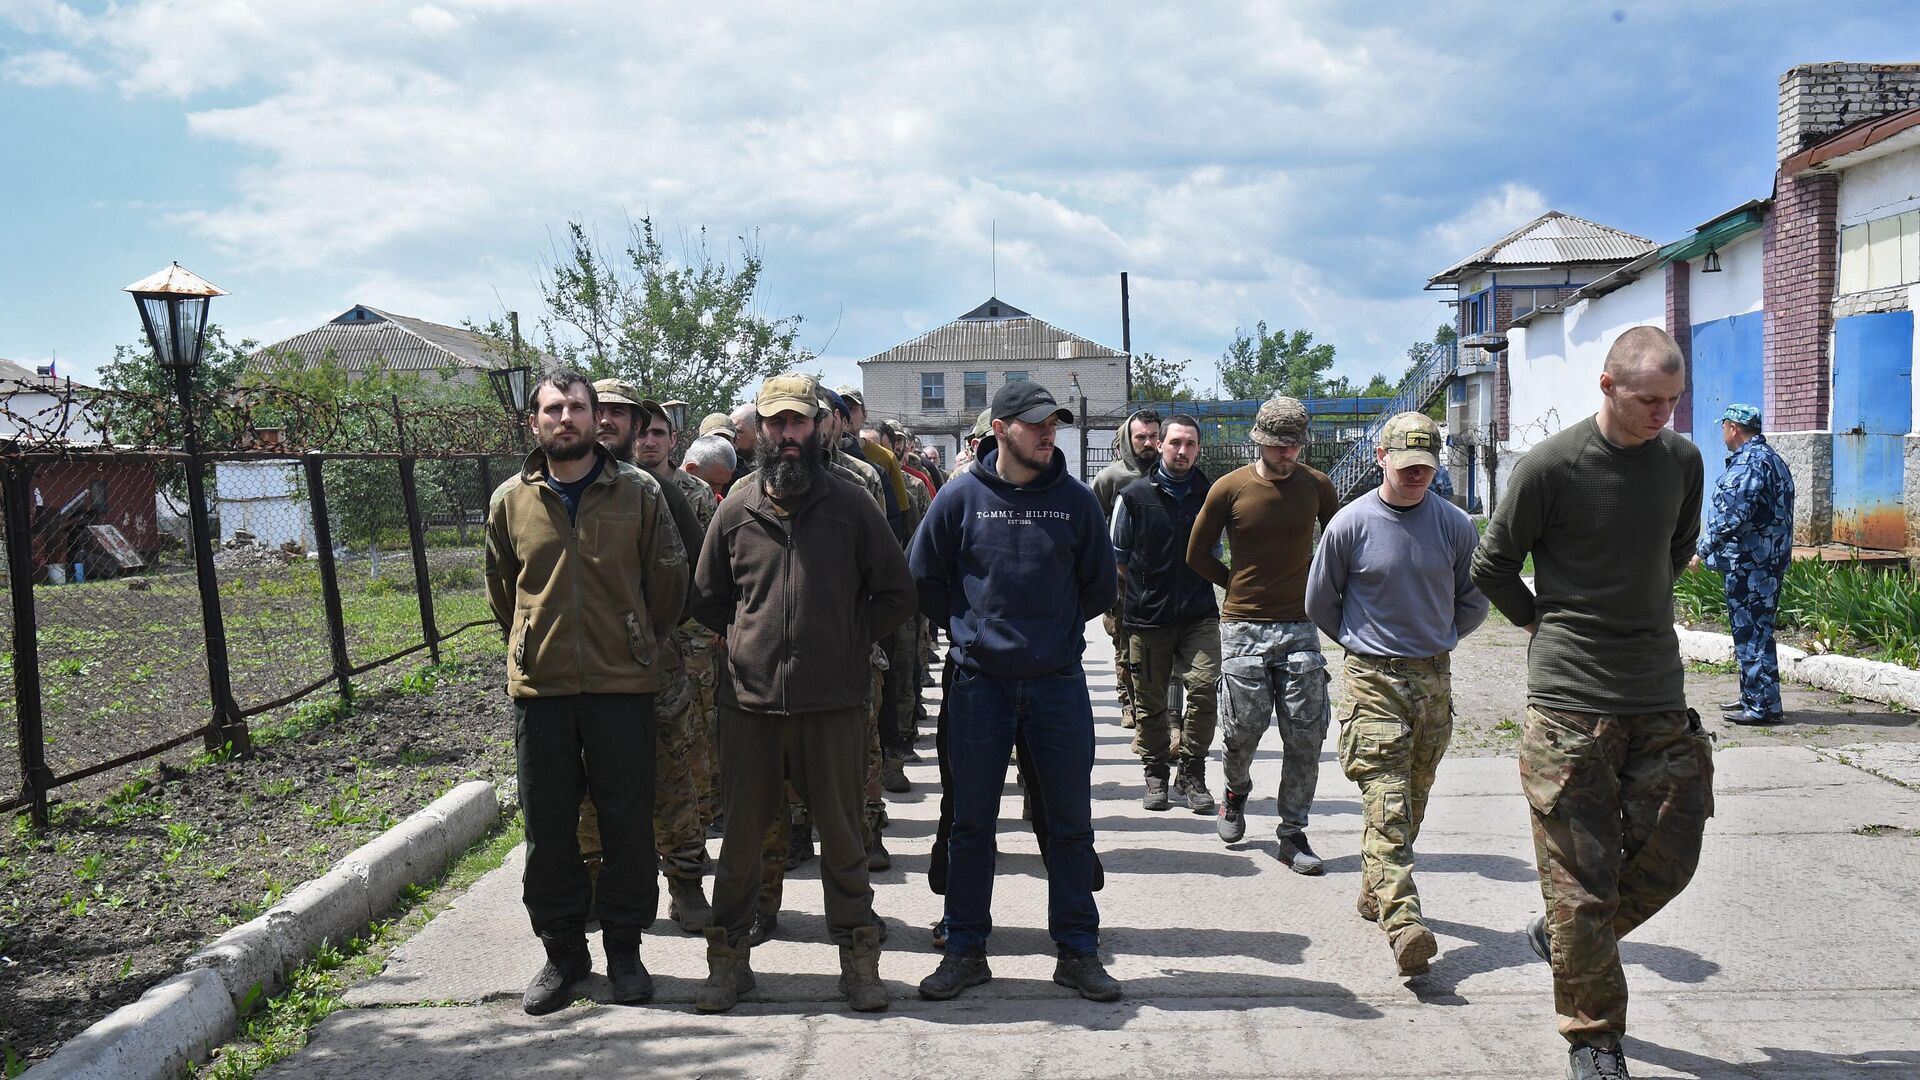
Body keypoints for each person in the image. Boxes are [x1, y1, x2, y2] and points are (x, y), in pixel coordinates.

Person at [1470, 326, 1710, 1080]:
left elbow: (1674, 548)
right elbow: (1494, 564)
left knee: (1673, 854)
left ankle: (1566, 940)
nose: (1662, 415)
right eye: (1648, 400)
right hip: (1570, 701)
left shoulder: (1682, 461)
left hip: (1656, 691)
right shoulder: (1553, 467)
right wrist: (1541, 617)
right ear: (1607, 387)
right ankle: (1595, 1038)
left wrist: (1639, 602)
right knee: (1580, 880)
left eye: (1672, 401)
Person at [690, 372, 917, 1014]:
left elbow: (897, 592)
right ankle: (728, 964)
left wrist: (847, 641)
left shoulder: (851, 503)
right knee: (739, 846)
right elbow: (707, 598)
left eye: (798, 422)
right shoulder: (736, 508)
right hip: (750, 709)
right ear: (759, 431)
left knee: (844, 842)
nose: (788, 435)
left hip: (834, 705)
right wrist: (745, 644)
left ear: (818, 426)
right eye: (776, 424)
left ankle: (859, 962)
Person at [909, 379, 1122, 1004]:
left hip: (1056, 685)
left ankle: (1078, 952)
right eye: (1034, 424)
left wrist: (1049, 634)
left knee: (1069, 825)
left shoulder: (1077, 501)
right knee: (971, 824)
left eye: (1052, 423)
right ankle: (966, 948)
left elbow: (1100, 588)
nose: (1047, 432)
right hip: (979, 687)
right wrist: (971, 632)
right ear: (1000, 429)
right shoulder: (959, 497)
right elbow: (924, 579)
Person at [484, 371, 687, 1014]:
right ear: (534, 423)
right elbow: (502, 587)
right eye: (552, 409)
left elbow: (667, 584)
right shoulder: (510, 501)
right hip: (541, 692)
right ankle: (563, 953)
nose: (565, 418)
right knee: (548, 830)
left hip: (621, 687)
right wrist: (532, 642)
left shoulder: (638, 492)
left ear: (596, 417)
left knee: (627, 825)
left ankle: (625, 951)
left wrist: (632, 639)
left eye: (575, 407)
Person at [1305, 411, 1489, 976]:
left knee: (1413, 797)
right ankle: (1405, 922)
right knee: (1386, 798)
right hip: (1373, 679)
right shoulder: (1350, 524)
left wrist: (1440, 637)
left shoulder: (1456, 525)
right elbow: (1321, 602)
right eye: (1406, 465)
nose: (1416, 476)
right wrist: (1364, 645)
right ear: (1381, 458)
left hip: (1433, 678)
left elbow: (1474, 598)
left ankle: (1374, 890)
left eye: (1426, 468)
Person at [1187, 396, 1339, 873]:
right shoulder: (1230, 488)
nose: (1287, 454)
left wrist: (1314, 583)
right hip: (1243, 628)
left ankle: (1292, 834)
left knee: (1306, 734)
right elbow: (1196, 553)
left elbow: (1335, 545)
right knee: (1242, 730)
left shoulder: (1317, 486)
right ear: (1260, 441)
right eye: (1278, 446)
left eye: (1294, 446)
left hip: (1300, 626)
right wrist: (1231, 581)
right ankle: (1235, 794)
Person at [585, 380, 714, 935]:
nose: (610, 421)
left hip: (652, 667)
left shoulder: (658, 492)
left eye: (621, 413)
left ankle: (685, 884)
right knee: (586, 785)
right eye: (602, 411)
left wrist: (650, 634)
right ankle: (593, 885)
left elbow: (691, 576)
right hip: (581, 668)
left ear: (637, 425)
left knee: (670, 778)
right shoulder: (556, 485)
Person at [1110, 413, 1219, 814]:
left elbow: (1217, 551)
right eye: (1175, 443)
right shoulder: (1134, 496)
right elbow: (1117, 557)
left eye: (1190, 444)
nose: (1182, 451)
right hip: (1147, 617)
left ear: (1198, 449)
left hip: (1199, 614)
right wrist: (1147, 585)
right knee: (1150, 700)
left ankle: (1192, 772)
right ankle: (1156, 771)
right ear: (1160, 445)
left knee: (1206, 691)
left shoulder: (1212, 493)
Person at [1697, 403, 1795, 726]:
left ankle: (1763, 707)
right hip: (1763, 562)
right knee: (1754, 630)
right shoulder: (1772, 460)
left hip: (1751, 565)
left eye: (1723, 427)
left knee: (1753, 632)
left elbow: (1732, 517)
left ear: (1733, 428)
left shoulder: (1751, 464)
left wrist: (1702, 550)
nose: (1722, 433)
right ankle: (1754, 696)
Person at [1092, 410, 1162, 730]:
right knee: (1124, 644)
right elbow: (1093, 527)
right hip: (1121, 580)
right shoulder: (1111, 479)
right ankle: (1128, 702)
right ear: (1128, 440)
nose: (1148, 443)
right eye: (1141, 437)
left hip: (1162, 578)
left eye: (1153, 436)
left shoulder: (1172, 473)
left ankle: (1157, 708)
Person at [682, 434, 737, 502]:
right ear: (691, 469)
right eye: (713, 483)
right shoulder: (667, 496)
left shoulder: (719, 503)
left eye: (723, 484)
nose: (718, 491)